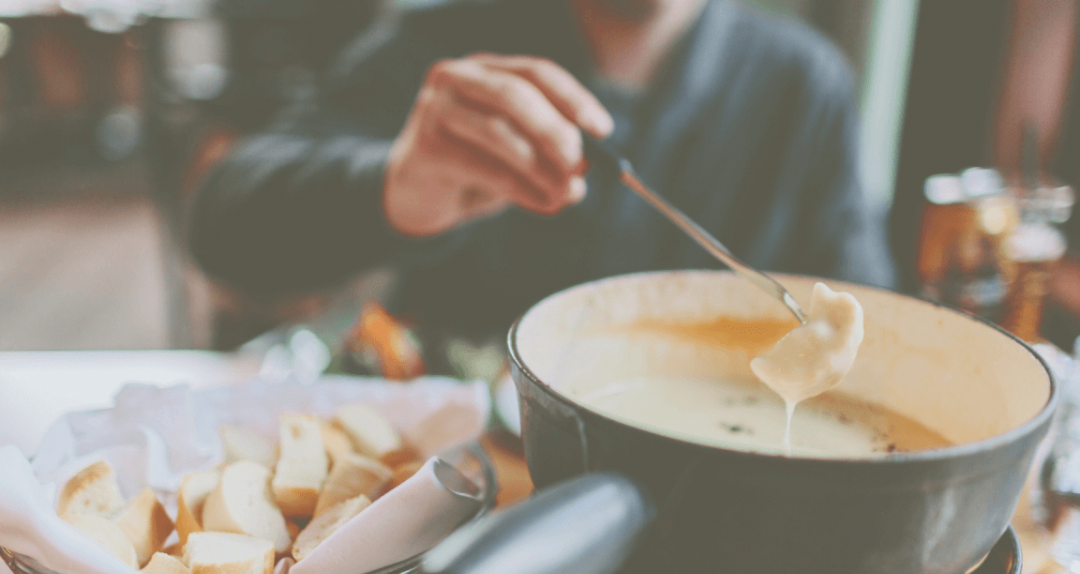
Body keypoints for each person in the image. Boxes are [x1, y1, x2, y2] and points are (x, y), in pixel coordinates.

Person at [187, 0, 895, 350]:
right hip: (462, 498)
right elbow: (223, 221)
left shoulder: (805, 87)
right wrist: (394, 188)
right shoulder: (451, 42)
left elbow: (865, 321)